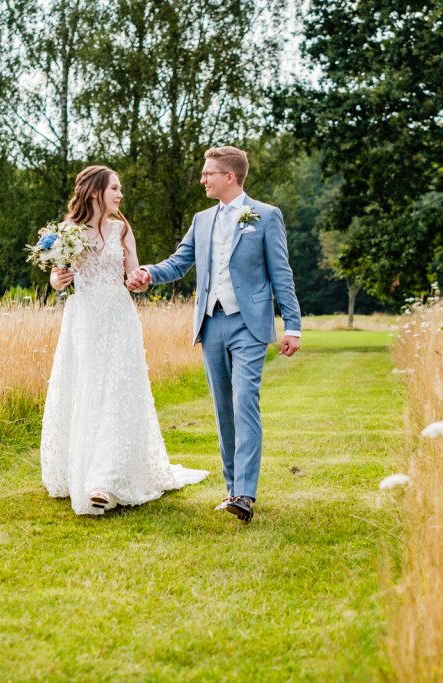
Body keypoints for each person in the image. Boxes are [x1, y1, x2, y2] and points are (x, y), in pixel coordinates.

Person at [126, 146, 301, 523]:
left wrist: (293, 325)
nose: (203, 179)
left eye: (208, 173)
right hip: (211, 323)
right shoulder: (202, 220)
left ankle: (245, 494)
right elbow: (179, 262)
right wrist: (147, 273)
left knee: (244, 401)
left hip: (249, 324)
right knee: (223, 408)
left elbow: (282, 273)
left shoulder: (266, 217)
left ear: (230, 177)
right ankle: (231, 489)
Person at [40, 165, 209, 515]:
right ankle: (83, 469)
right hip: (84, 319)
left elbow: (134, 271)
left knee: (119, 391)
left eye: (121, 189)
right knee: (88, 389)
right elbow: (57, 279)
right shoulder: (68, 232)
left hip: (120, 317)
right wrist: (59, 279)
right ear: (94, 192)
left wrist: (139, 280)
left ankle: (107, 480)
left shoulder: (122, 228)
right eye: (115, 188)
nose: (120, 195)